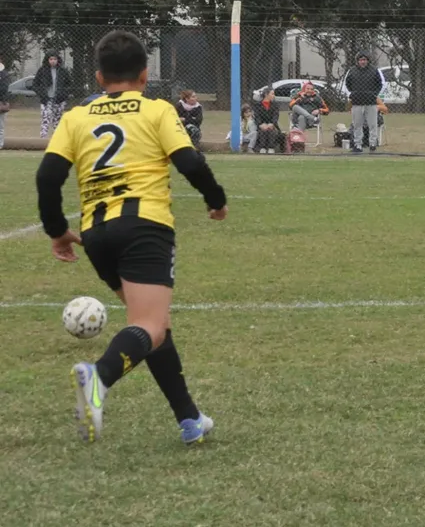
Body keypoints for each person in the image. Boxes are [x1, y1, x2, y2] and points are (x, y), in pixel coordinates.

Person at [34, 30, 228, 445]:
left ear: (99, 78)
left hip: (96, 233)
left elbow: (47, 177)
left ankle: (189, 419)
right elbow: (190, 162)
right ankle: (98, 379)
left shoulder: (76, 117)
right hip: (144, 227)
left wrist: (57, 231)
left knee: (154, 326)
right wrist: (216, 200)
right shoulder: (156, 110)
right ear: (144, 75)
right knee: (150, 326)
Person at [344, 51, 385, 154]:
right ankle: (358, 145)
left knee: (372, 124)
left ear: (368, 60)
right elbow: (347, 83)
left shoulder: (374, 70)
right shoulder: (352, 71)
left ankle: (372, 144)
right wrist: (352, 94)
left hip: (371, 103)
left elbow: (381, 84)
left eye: (365, 60)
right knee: (357, 124)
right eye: (361, 60)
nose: (363, 62)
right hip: (357, 103)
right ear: (357, 61)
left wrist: (374, 95)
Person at [33, 52, 72, 138]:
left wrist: (64, 94)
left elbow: (69, 84)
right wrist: (41, 94)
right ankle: (43, 139)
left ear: (58, 60)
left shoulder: (62, 71)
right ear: (47, 60)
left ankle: (57, 139)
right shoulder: (42, 70)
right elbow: (35, 84)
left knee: (57, 120)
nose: (53, 61)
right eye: (51, 59)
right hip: (46, 99)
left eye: (55, 59)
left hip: (59, 99)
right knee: (45, 118)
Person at [253, 87, 282, 153]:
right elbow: (257, 116)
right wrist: (260, 124)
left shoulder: (275, 105)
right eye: (272, 94)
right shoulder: (257, 105)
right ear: (266, 94)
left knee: (271, 130)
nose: (274, 96)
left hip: (272, 125)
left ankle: (271, 148)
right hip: (261, 125)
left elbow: (276, 116)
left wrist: (272, 124)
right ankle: (262, 148)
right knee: (262, 131)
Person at [0, 57, 9, 150]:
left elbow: (4, 88)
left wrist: (3, 101)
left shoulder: (4, 74)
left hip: (1, 101)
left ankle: (0, 144)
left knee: (0, 125)